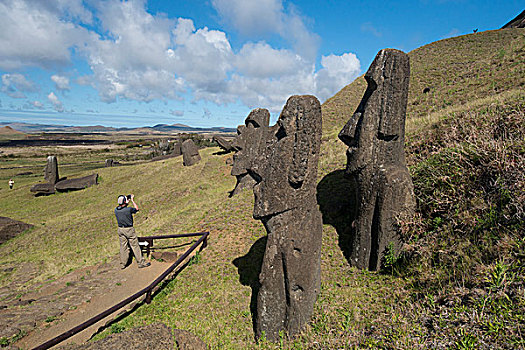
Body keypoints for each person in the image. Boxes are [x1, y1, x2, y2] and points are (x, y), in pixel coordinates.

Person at [114, 194, 150, 269]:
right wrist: (132, 200)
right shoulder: (128, 210)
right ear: (125, 202)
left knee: (123, 247)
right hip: (129, 229)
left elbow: (121, 206)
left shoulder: (116, 210)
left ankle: (123, 264)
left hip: (120, 229)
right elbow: (136, 209)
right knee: (135, 246)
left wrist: (126, 201)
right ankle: (141, 262)